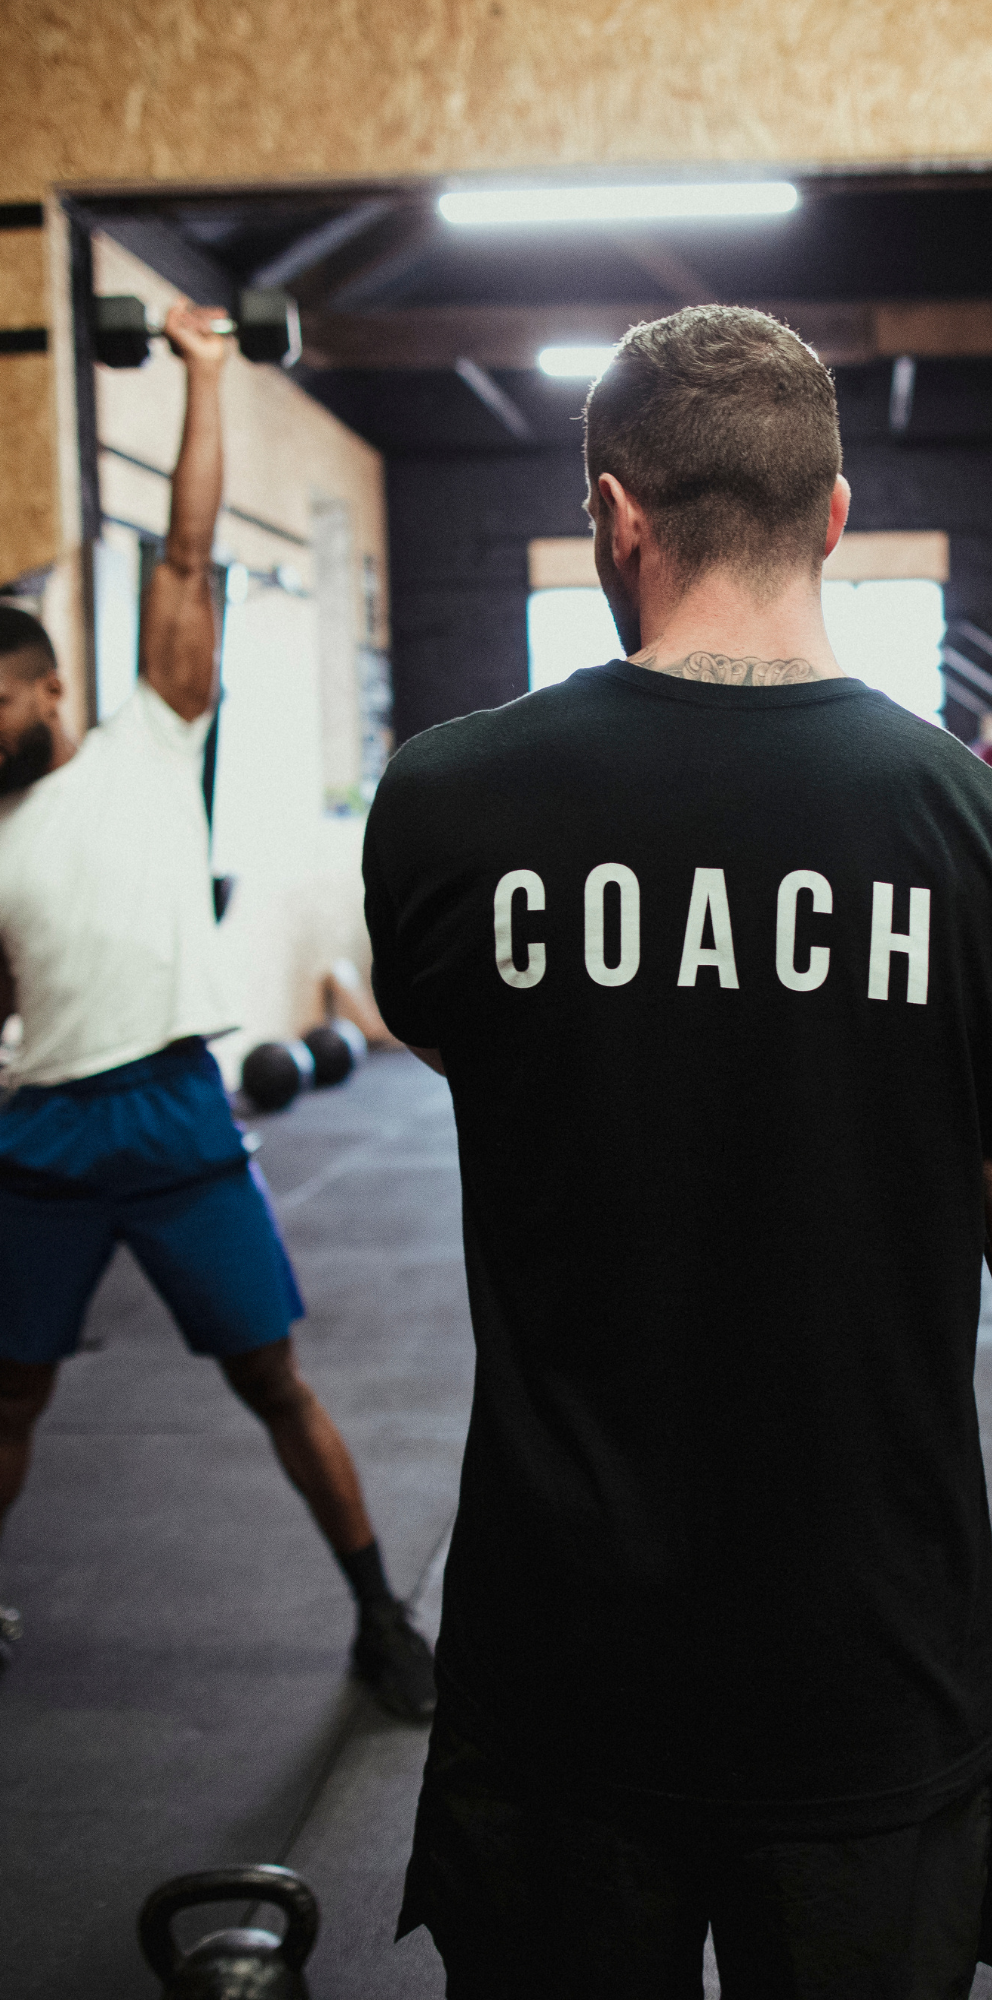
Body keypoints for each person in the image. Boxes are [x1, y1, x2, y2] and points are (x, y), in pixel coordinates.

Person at [364, 306, 992, 1997]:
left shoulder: (444, 802)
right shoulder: (965, 830)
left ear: (613, 516)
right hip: (871, 1660)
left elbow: (465, 1049)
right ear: (834, 515)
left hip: (564, 1662)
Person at [0, 301, 434, 1736]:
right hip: (47, 1132)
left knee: (271, 1380)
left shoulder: (150, 743)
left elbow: (188, 554)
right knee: (0, 1399)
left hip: (174, 1112)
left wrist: (205, 371)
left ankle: (381, 1617)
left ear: (50, 689)